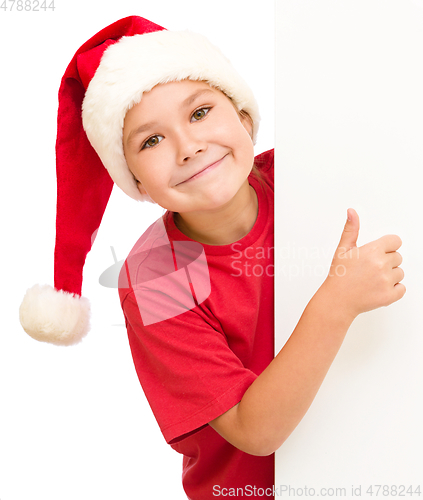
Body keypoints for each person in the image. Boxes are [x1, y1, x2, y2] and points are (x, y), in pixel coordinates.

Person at [18, 15, 405, 500]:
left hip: (363, 461)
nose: (189, 146)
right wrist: (336, 303)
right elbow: (254, 430)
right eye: (151, 140)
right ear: (134, 180)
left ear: (243, 115)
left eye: (199, 113)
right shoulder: (154, 276)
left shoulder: (309, 173)